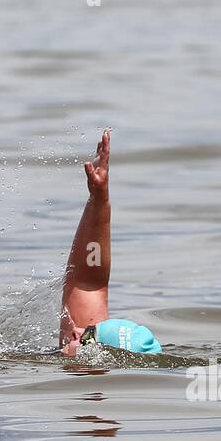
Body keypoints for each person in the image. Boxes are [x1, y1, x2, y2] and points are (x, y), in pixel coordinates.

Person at [59, 129, 162, 357]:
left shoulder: (88, 387)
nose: (76, 331)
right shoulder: (79, 356)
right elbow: (88, 283)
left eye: (88, 336)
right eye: (88, 329)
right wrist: (99, 199)